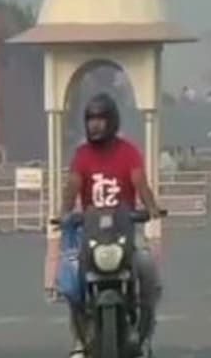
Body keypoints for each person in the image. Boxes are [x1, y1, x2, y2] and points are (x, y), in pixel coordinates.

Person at [60, 92, 166, 358]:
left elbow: (140, 182)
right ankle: (80, 341)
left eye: (100, 119)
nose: (95, 124)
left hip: (125, 229)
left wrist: (151, 209)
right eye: (91, 119)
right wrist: (64, 214)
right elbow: (72, 187)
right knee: (73, 279)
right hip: (91, 232)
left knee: (146, 267)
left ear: (112, 121)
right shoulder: (81, 155)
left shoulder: (127, 151)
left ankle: (143, 335)